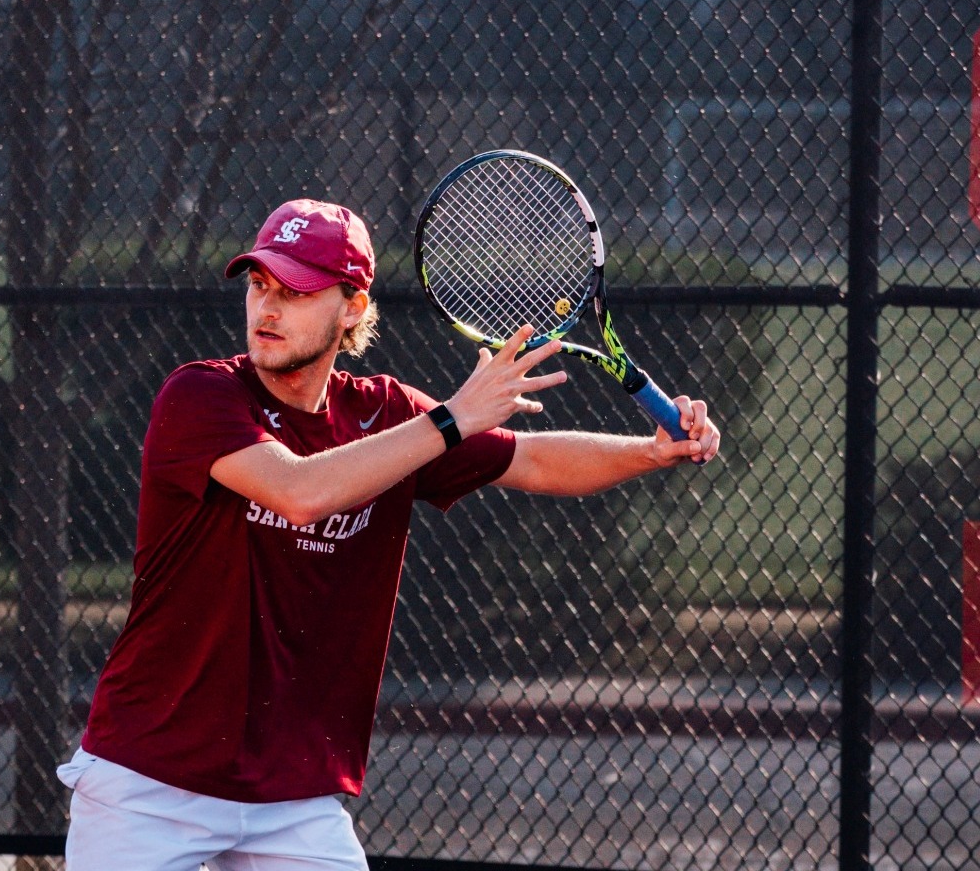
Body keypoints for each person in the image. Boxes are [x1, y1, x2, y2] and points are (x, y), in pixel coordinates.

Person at [58, 198, 720, 870]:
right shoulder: (200, 397)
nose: (268, 309)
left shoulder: (385, 414)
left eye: (296, 291)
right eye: (260, 286)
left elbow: (533, 458)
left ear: (351, 306)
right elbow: (300, 493)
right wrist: (453, 419)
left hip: (292, 795)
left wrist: (650, 451)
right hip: (148, 782)